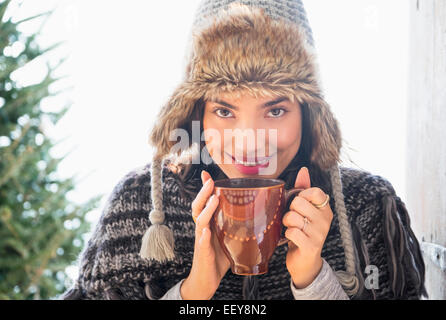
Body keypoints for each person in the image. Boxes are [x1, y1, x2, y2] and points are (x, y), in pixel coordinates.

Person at [61, 0, 427, 300]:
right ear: (196, 112)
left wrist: (314, 280)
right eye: (224, 111)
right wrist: (193, 292)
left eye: (276, 110)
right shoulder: (139, 205)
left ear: (309, 113)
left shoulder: (367, 205)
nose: (250, 141)